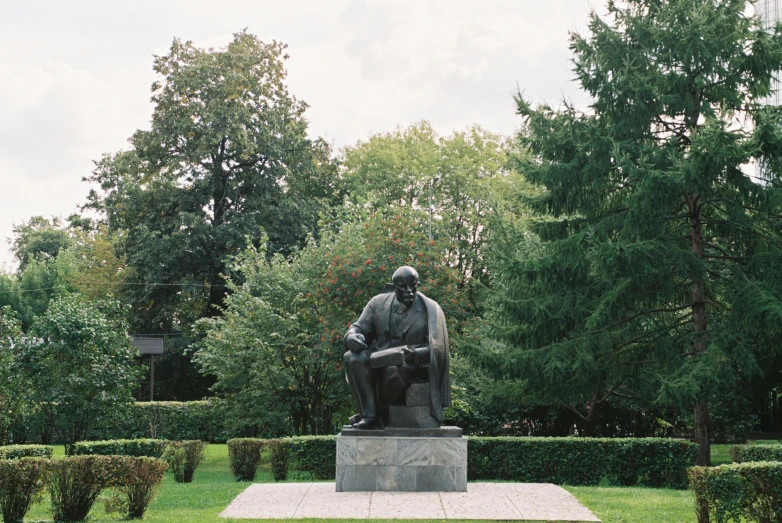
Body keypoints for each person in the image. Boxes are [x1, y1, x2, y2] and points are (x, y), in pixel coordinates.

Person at [343, 265, 451, 429]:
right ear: (394, 287)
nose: (409, 291)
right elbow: (358, 328)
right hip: (378, 359)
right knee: (351, 357)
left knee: (393, 370)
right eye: (403, 286)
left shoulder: (430, 309)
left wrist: (414, 354)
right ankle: (369, 415)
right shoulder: (377, 303)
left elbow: (438, 348)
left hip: (412, 366)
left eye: (413, 285)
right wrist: (351, 336)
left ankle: (381, 413)